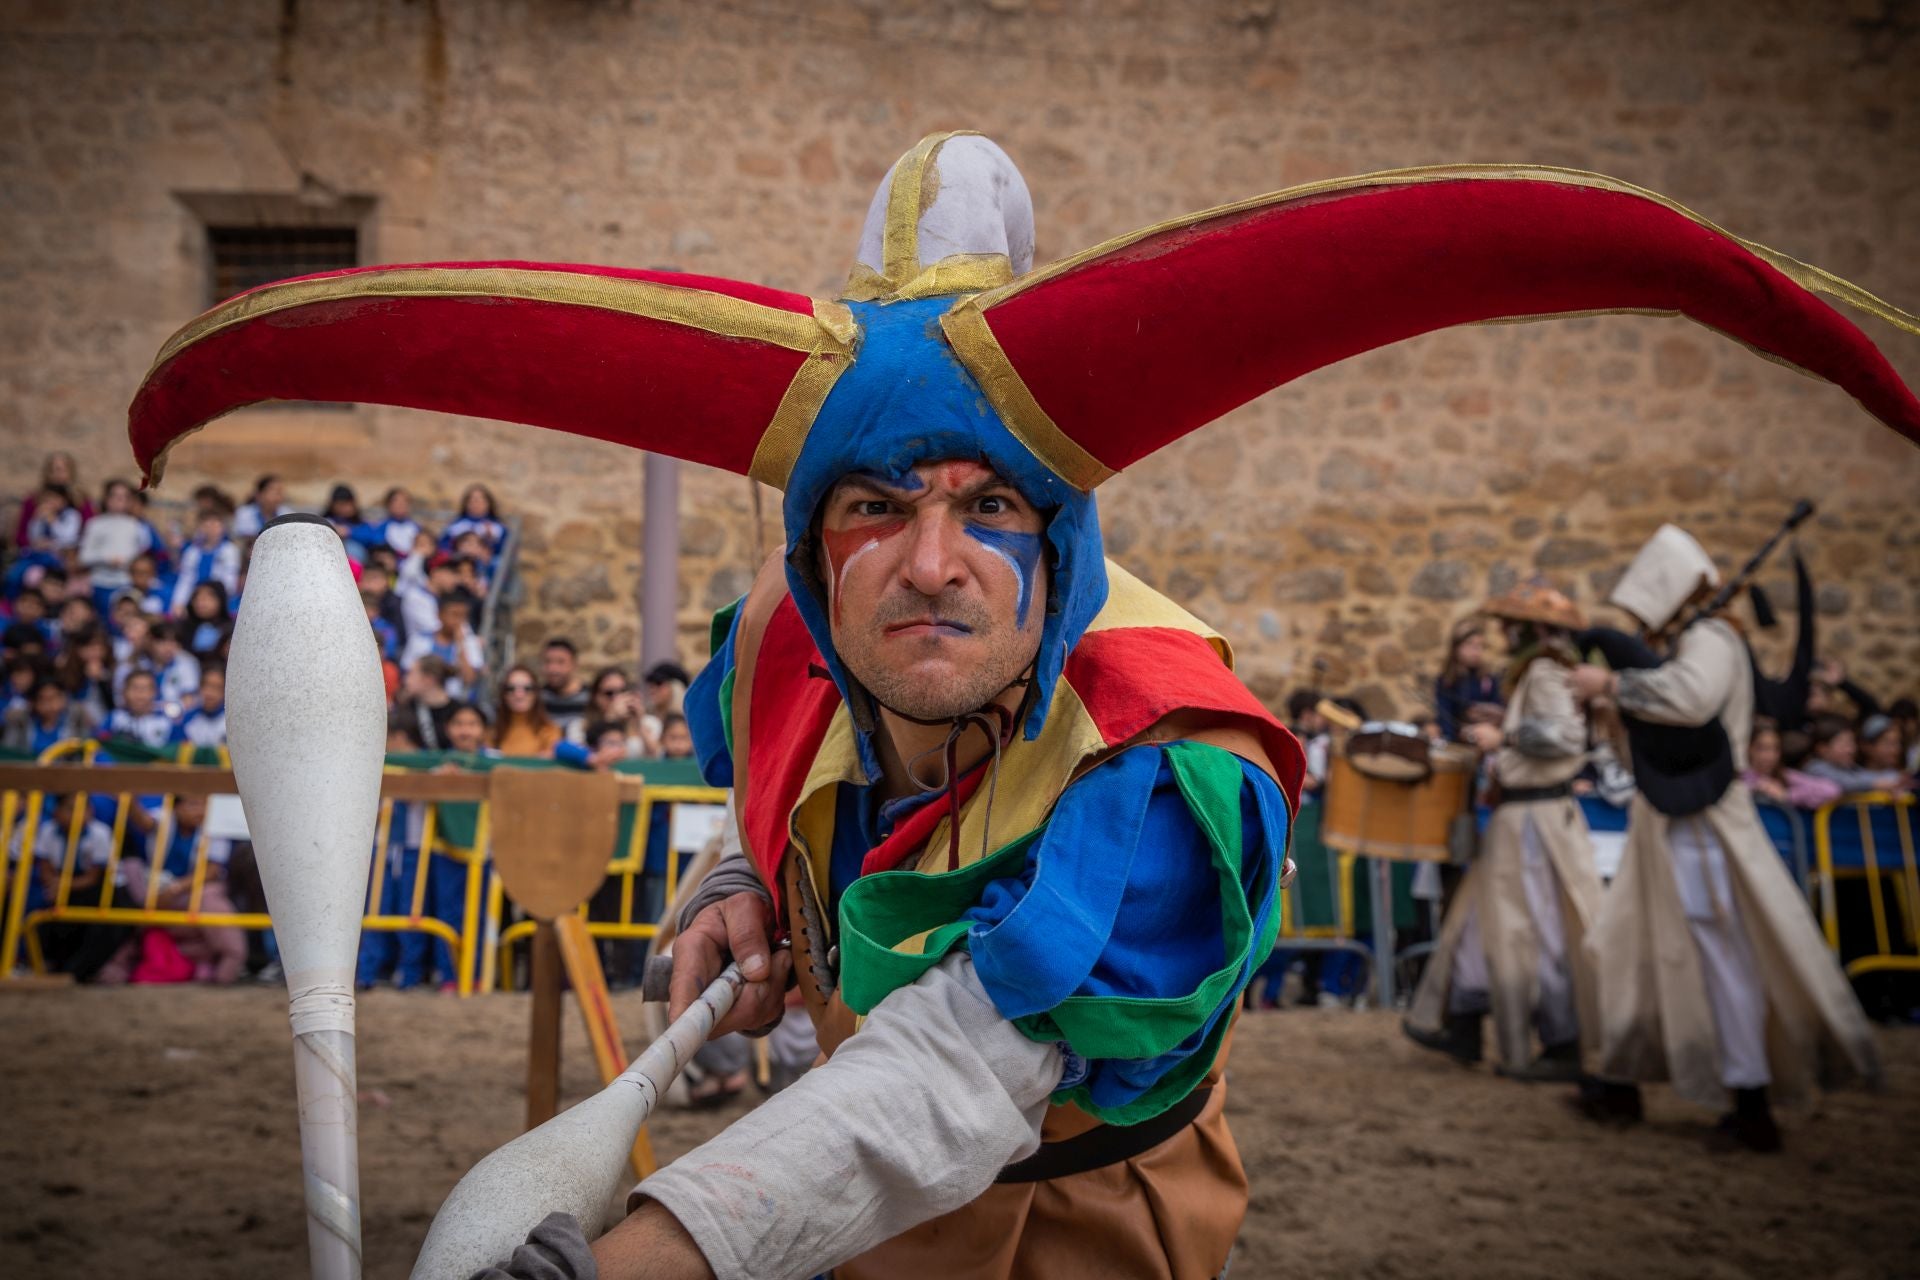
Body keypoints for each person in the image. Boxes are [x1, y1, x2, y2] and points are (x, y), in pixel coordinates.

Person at [1571, 525, 1881, 1151]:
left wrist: (1612, 685)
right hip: (1666, 820)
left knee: (1723, 958)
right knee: (1629, 946)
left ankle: (1751, 1100)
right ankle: (1620, 1078)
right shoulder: (1696, 638)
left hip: (1706, 822)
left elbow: (1691, 700)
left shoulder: (1712, 638)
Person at [1406, 583, 1602, 1083]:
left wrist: (1505, 736)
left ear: (1532, 629)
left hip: (1537, 819)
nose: (1501, 634)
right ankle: (1465, 1025)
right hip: (1519, 818)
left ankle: (1562, 1042)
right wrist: (1505, 720)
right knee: (1479, 921)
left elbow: (1567, 736)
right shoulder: (1539, 672)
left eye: (1510, 626)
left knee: (1538, 929)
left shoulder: (1543, 669)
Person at [77, 478, 151, 615]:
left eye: (124, 497)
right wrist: (107, 559)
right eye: (115, 495)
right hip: (99, 582)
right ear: (106, 498)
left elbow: (142, 554)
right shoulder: (95, 524)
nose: (119, 500)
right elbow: (83, 557)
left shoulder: (136, 526)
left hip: (125, 583)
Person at [1742, 717, 1842, 810]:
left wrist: (1787, 795)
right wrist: (1755, 788)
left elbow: (1831, 790)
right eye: (1762, 748)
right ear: (1748, 748)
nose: (1770, 756)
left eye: (1775, 748)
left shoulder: (1784, 775)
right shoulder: (1740, 778)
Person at [401, 588, 484, 700]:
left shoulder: (470, 643)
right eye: (454, 615)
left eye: (463, 616)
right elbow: (408, 673)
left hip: (455, 700)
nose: (458, 621)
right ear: (439, 615)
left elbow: (469, 679)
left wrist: (461, 645)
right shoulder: (419, 639)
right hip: (421, 699)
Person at [1434, 614, 1504, 742]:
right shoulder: (1447, 681)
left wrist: (1486, 713)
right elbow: (1445, 716)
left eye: (1480, 646)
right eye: (1470, 645)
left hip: (1483, 739)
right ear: (1456, 648)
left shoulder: (1488, 679)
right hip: (1457, 740)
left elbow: (1498, 708)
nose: (1476, 651)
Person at [168, 500, 241, 618]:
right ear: (200, 527)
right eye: (207, 524)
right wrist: (178, 603)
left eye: (215, 524)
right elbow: (186, 579)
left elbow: (230, 579)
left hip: (221, 599)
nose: (211, 528)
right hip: (196, 600)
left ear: (222, 526)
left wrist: (216, 601)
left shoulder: (230, 550)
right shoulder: (192, 551)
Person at [11, 451, 93, 549]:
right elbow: (21, 535)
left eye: (62, 470)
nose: (58, 475)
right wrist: (35, 543)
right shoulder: (33, 500)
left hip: (71, 553)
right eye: (53, 470)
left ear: (71, 472)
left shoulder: (81, 501)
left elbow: (90, 532)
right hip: (37, 552)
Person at [2, 677, 100, 753]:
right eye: (43, 700)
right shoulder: (20, 723)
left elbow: (88, 751)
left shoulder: (76, 721)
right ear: (34, 703)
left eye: (54, 698)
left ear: (64, 699)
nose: (50, 705)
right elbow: (10, 754)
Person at [492, 664, 562, 757]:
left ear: (535, 694)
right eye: (511, 689)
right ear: (504, 695)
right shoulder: (493, 733)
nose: (519, 695)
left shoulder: (550, 732)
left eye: (527, 688)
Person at [104, 668, 177, 749]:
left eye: (145, 689)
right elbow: (98, 743)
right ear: (124, 692)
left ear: (155, 692)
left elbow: (177, 752)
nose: (140, 695)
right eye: (134, 688)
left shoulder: (168, 722)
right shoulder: (115, 718)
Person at [398, 655, 457, 751]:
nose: (406, 679)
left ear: (428, 679)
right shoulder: (407, 708)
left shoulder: (459, 711)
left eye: (410, 673)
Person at [440, 483, 508, 557]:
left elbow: (504, 550)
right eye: (472, 501)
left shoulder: (498, 527)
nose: (476, 504)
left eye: (480, 501)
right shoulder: (456, 526)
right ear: (466, 504)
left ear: (488, 503)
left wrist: (490, 543)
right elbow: (443, 546)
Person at [538, 638, 591, 729]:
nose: (553, 669)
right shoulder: (537, 699)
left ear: (574, 665)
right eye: (548, 662)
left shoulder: (590, 698)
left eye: (560, 662)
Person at [174, 664, 227, 750]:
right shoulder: (187, 720)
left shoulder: (232, 722)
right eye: (207, 686)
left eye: (217, 688)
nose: (210, 693)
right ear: (199, 687)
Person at [180, 580, 234, 665]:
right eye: (197, 597)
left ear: (221, 599)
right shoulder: (182, 627)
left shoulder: (231, 629)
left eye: (208, 597)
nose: (201, 602)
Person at [232, 474, 288, 540]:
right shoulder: (244, 513)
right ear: (259, 495)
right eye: (273, 492)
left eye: (279, 493)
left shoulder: (286, 513)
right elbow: (242, 536)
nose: (277, 497)